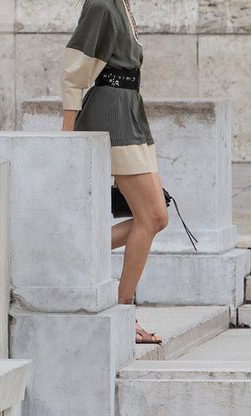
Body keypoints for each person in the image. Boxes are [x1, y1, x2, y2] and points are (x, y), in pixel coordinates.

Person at [62, 0, 166, 345]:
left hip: (131, 111)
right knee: (150, 217)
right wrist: (67, 133)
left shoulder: (118, 4)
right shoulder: (102, 5)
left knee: (157, 218)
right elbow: (74, 69)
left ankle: (76, 250)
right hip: (112, 113)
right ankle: (124, 312)